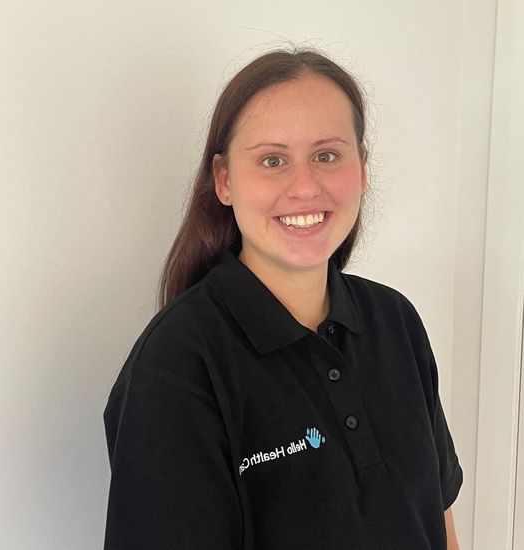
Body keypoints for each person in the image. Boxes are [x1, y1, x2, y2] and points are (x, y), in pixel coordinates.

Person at [103, 48, 463, 549]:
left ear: (361, 168)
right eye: (273, 160)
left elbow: (437, 520)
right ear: (224, 181)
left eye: (326, 155)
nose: (304, 186)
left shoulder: (395, 321)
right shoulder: (177, 366)